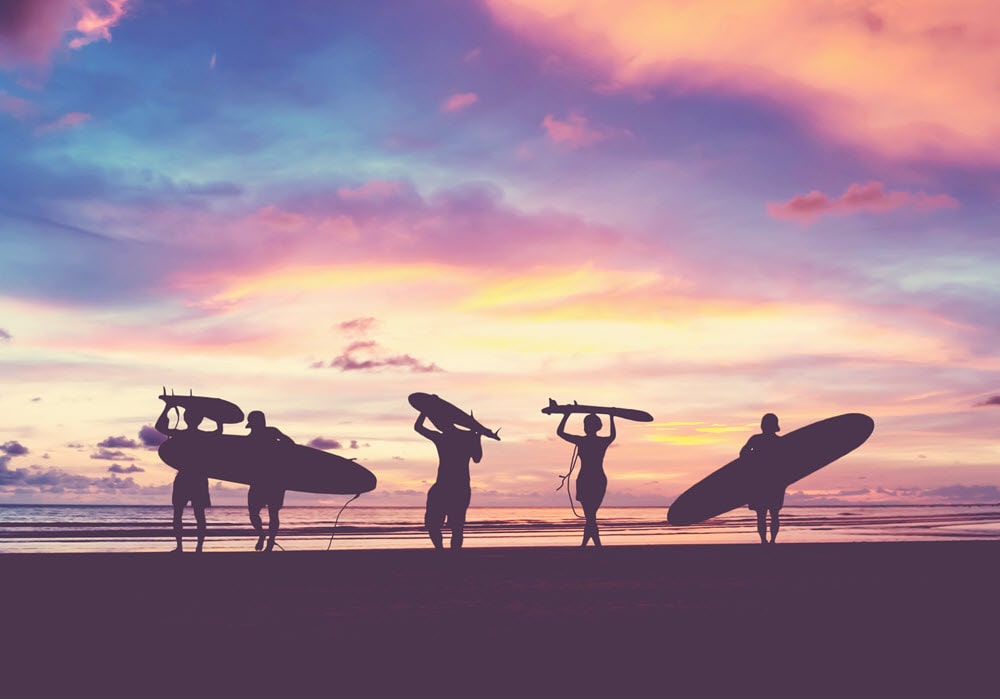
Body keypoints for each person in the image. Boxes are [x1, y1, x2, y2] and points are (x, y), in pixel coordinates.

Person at [155, 402, 221, 553]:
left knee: (178, 515)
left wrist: (168, 407)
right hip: (199, 478)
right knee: (199, 516)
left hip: (184, 477)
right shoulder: (204, 436)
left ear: (185, 419)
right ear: (200, 420)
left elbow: (160, 426)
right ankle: (198, 548)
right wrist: (217, 416)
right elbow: (219, 431)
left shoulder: (180, 434)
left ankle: (180, 547)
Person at [414, 412, 483, 549]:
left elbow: (418, 427)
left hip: (448, 487)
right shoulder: (466, 438)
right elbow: (477, 458)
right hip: (458, 488)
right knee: (455, 526)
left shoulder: (442, 438)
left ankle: (442, 551)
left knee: (441, 525)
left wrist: (425, 411)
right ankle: (447, 553)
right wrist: (477, 436)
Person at [556, 412, 616, 547]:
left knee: (590, 515)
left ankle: (589, 546)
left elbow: (560, 432)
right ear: (599, 427)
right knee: (591, 515)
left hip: (587, 479)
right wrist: (611, 417)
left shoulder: (582, 441)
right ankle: (591, 545)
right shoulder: (601, 441)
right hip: (596, 479)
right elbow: (613, 436)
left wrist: (566, 415)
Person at [245, 410, 294, 553]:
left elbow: (290, 444)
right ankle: (261, 535)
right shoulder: (248, 439)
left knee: (273, 513)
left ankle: (271, 542)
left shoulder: (272, 432)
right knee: (253, 513)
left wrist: (278, 451)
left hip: (274, 480)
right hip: (260, 480)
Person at [741, 413, 784, 544]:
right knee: (773, 514)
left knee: (762, 515)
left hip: (760, 482)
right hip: (774, 483)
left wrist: (754, 460)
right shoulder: (780, 442)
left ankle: (764, 541)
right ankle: (771, 541)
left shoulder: (756, 440)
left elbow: (743, 454)